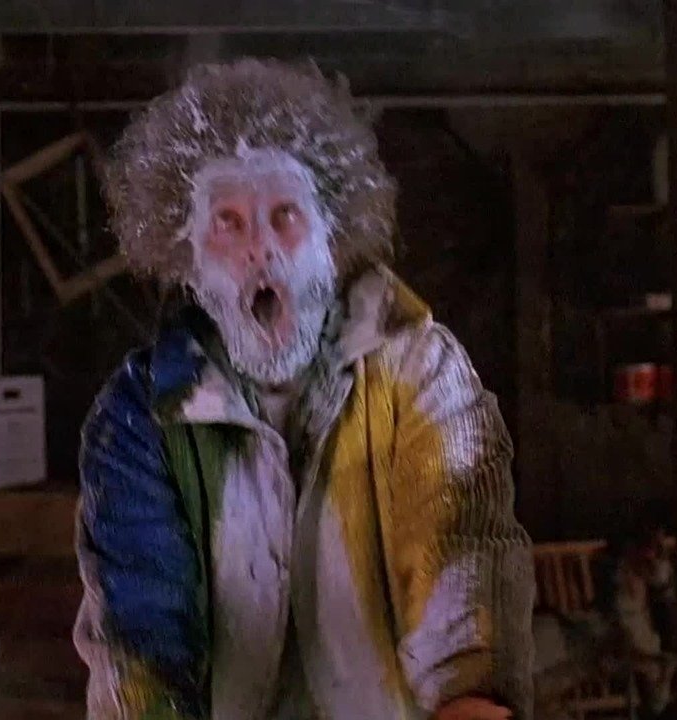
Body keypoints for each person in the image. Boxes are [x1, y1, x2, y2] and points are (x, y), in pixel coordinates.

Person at [73, 58, 534, 720]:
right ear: (190, 261)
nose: (260, 247)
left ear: (331, 240)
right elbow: (142, 637)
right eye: (228, 222)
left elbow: (462, 557)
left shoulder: (421, 372)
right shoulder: (141, 414)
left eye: (285, 215)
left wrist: (472, 697)